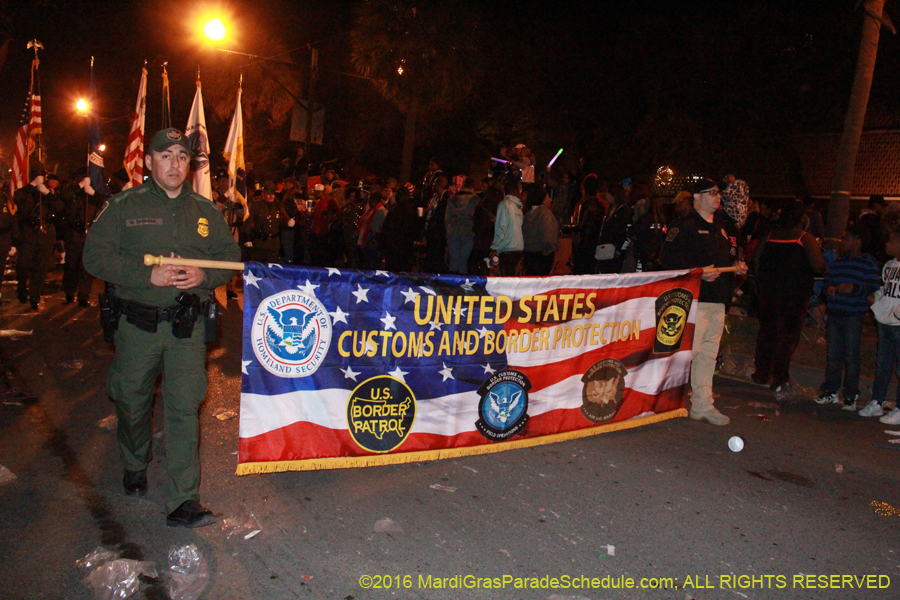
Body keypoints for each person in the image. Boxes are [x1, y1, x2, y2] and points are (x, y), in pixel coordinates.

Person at [82, 128, 241, 528]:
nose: (174, 163)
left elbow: (229, 255)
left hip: (187, 328)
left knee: (185, 407)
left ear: (190, 165)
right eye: (165, 156)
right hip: (138, 326)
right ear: (149, 161)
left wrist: (202, 275)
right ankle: (135, 461)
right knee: (131, 401)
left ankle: (183, 500)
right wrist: (143, 276)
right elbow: (93, 257)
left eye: (182, 157)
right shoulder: (123, 206)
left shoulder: (206, 211)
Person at [660, 178, 748, 426]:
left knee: (708, 356)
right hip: (693, 301)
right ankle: (663, 399)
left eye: (718, 193)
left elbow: (728, 258)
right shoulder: (684, 226)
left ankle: (702, 404)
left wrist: (737, 268)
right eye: (711, 193)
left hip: (717, 301)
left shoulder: (723, 229)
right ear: (696, 197)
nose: (717, 196)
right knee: (687, 353)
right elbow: (666, 258)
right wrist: (697, 270)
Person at [750, 201, 827, 397]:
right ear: (802, 218)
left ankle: (761, 373)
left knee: (767, 333)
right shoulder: (804, 238)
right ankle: (779, 377)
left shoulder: (769, 236)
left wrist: (762, 283)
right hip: (793, 295)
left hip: (768, 293)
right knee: (787, 336)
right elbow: (818, 265)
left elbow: (756, 261)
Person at [814, 224, 881, 411]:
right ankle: (831, 390)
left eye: (846, 239)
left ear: (857, 241)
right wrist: (830, 290)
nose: (842, 242)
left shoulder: (868, 263)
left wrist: (854, 288)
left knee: (851, 356)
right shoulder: (838, 262)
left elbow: (873, 287)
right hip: (835, 312)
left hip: (853, 314)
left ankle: (851, 393)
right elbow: (828, 281)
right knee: (833, 355)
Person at [14, 168, 64, 310]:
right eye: (39, 176)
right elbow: (18, 200)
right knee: (23, 264)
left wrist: (46, 193)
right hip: (28, 233)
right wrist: (32, 188)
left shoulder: (48, 193)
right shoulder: (24, 192)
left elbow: (60, 207)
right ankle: (22, 287)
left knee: (41, 267)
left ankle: (34, 297)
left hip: (45, 233)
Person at [867, 223, 900, 422]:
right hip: (885, 321)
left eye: (891, 240)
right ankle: (877, 402)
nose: (887, 244)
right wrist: (876, 296)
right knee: (883, 364)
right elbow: (885, 289)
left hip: (897, 322)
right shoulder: (888, 266)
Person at [62, 173, 103, 306]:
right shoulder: (74, 193)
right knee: (71, 266)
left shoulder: (94, 197)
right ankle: (69, 292)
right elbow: (64, 198)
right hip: (74, 235)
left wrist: (93, 194)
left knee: (87, 268)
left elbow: (106, 204)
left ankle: (83, 296)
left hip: (89, 236)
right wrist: (78, 187)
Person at [240, 181, 283, 264]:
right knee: (259, 268)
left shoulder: (278, 206)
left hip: (273, 244)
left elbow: (281, 224)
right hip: (260, 243)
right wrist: (247, 238)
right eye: (268, 193)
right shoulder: (256, 206)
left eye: (272, 194)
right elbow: (249, 222)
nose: (271, 196)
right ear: (263, 194)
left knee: (272, 268)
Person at [522, 183, 559, 276]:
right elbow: (549, 238)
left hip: (528, 255)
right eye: (547, 197)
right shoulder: (545, 213)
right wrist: (552, 248)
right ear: (542, 199)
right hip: (542, 256)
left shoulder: (528, 214)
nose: (550, 199)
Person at [490, 179, 524, 276]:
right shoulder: (518, 208)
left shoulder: (504, 204)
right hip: (518, 247)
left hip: (507, 249)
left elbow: (501, 228)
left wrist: (495, 248)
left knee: (506, 280)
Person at [444, 178, 479, 274]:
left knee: (454, 259)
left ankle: (452, 284)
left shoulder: (453, 199)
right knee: (463, 261)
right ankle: (462, 284)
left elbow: (447, 218)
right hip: (468, 231)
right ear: (472, 187)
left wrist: (448, 229)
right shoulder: (475, 199)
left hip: (453, 231)